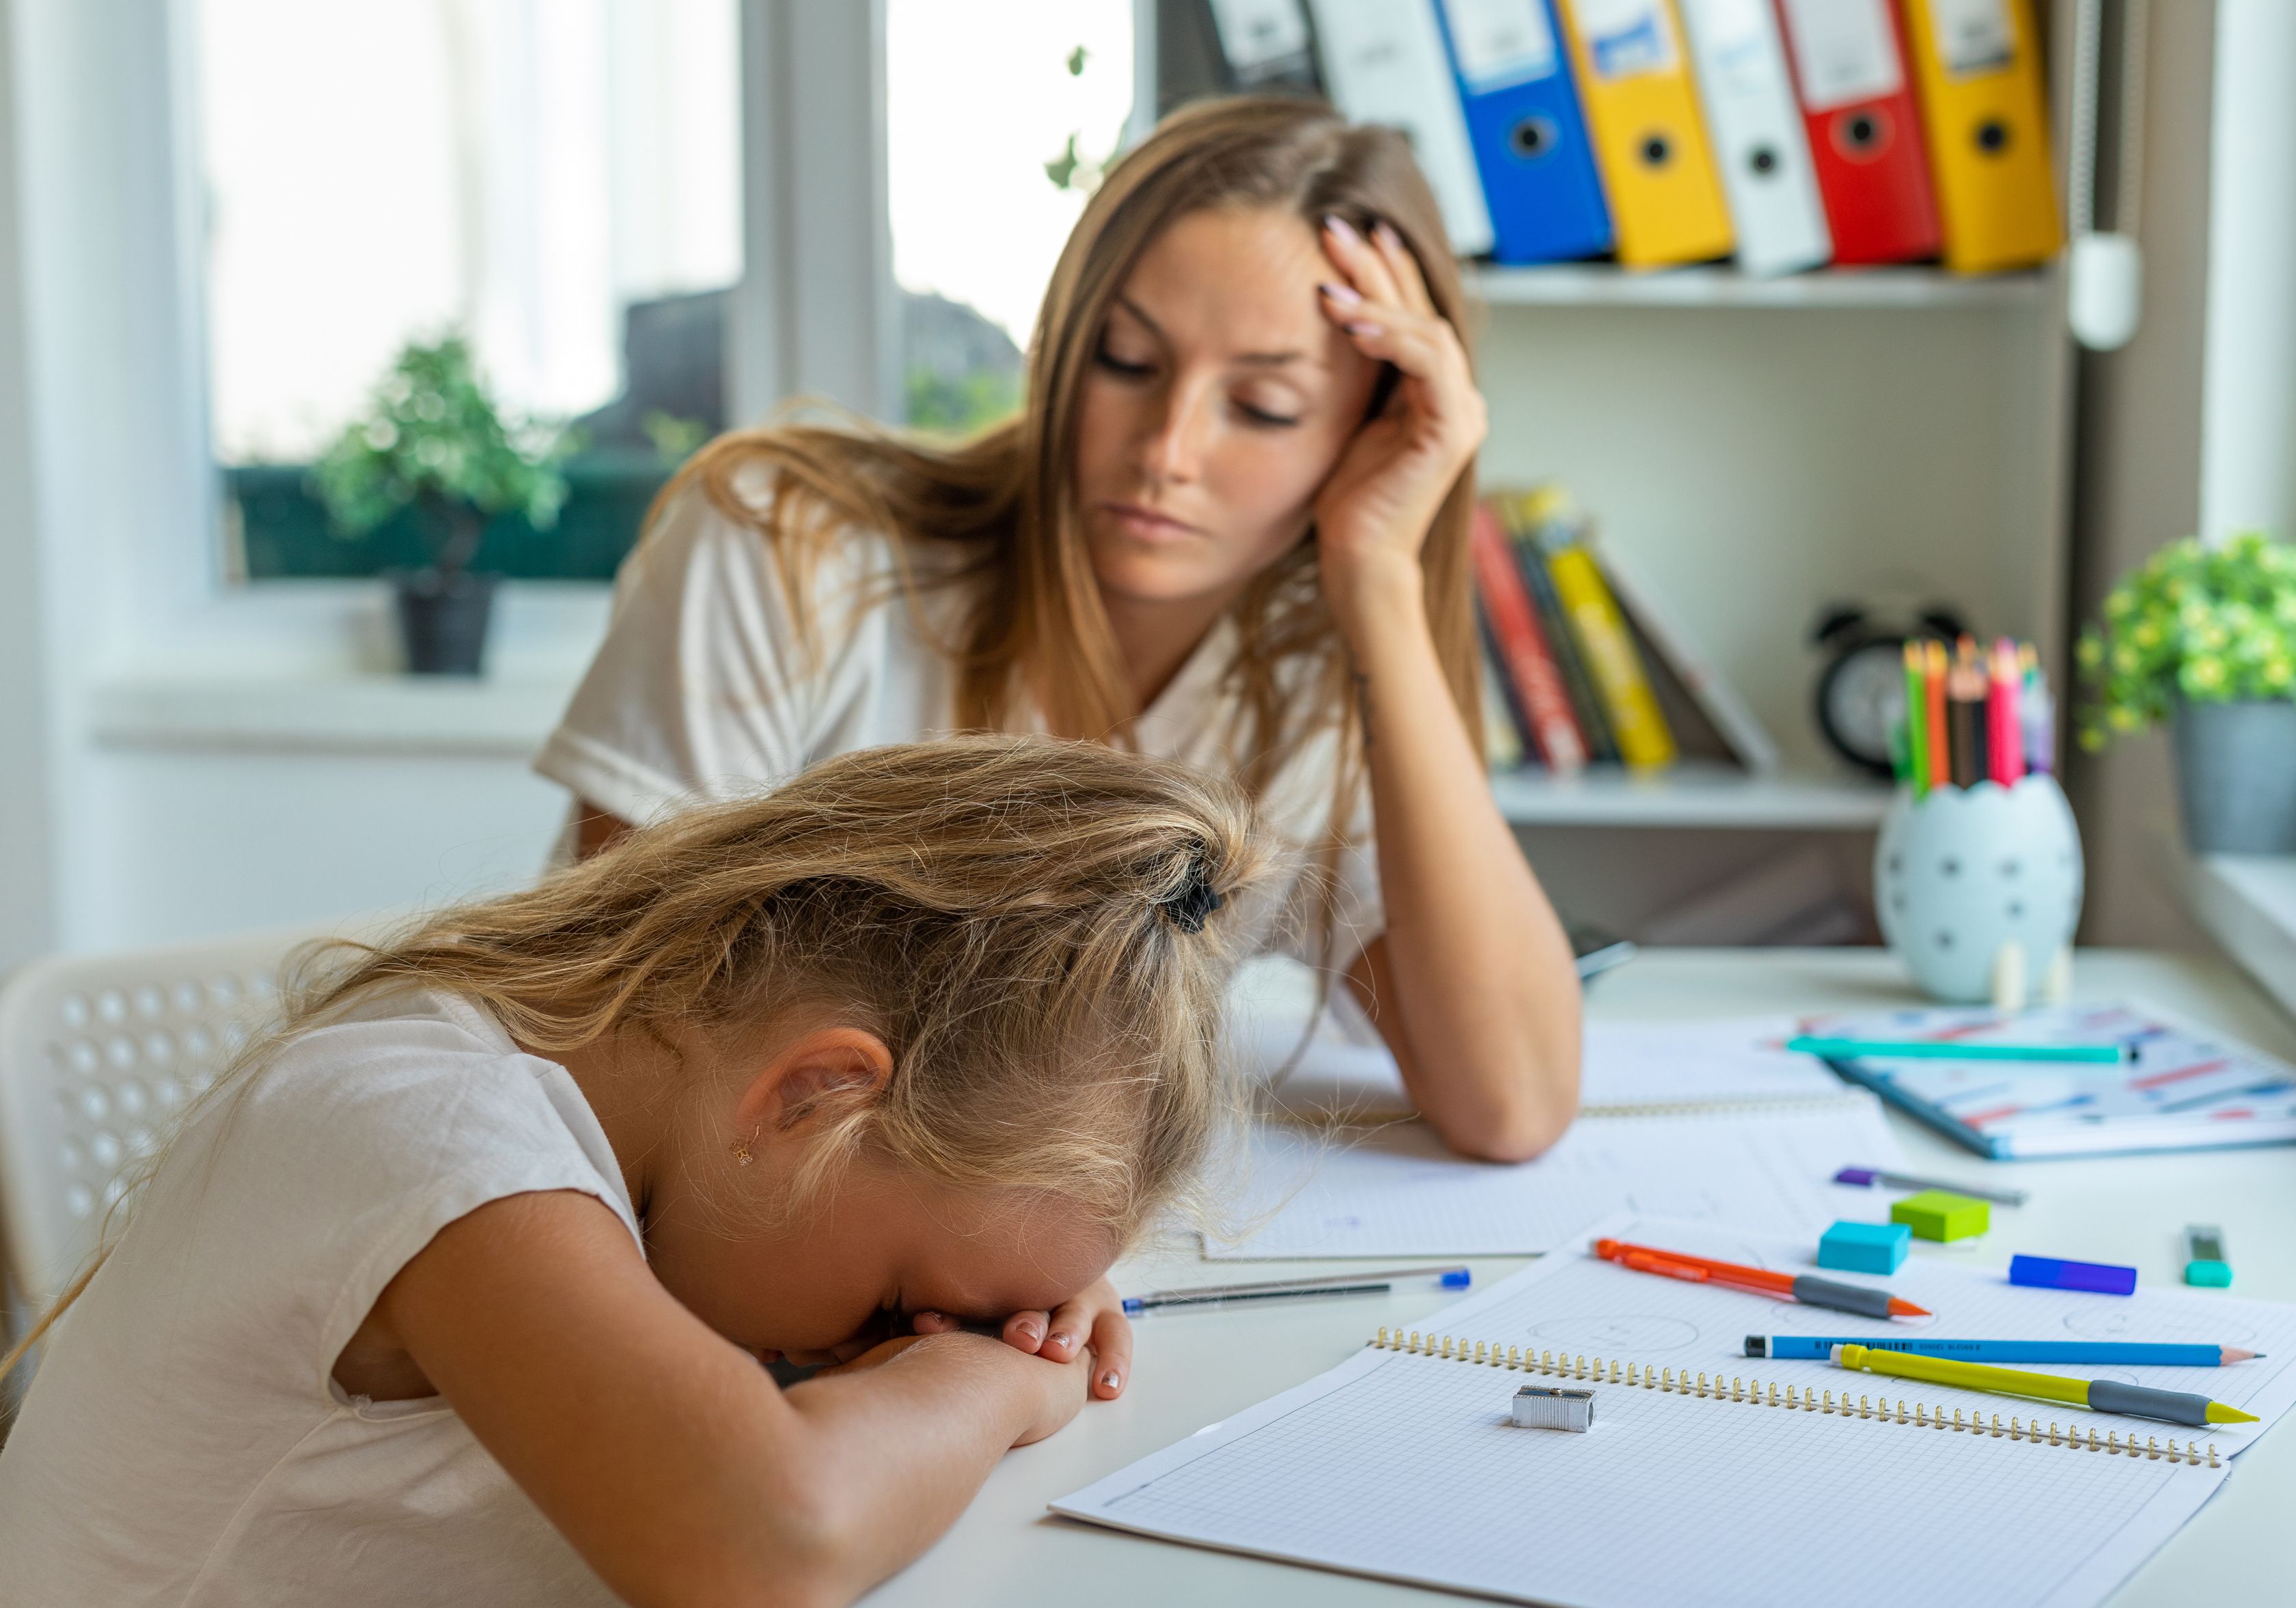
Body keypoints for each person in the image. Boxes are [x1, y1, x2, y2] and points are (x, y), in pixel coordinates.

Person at [0, 736, 1267, 1608]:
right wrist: (991, 1380)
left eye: (958, 1322)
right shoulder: (438, 1134)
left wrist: (1005, 1293)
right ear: (818, 1094)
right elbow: (770, 1538)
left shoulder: (673, 1170)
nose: (883, 1350)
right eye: (900, 1300)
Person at [536, 96, 1581, 1165]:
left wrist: (1382, 587)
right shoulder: (784, 545)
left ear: (1368, 429)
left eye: (1264, 407)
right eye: (1126, 360)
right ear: (1060, 346)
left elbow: (1511, 1100)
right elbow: (629, 1027)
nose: (1167, 450)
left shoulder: (1317, 685)